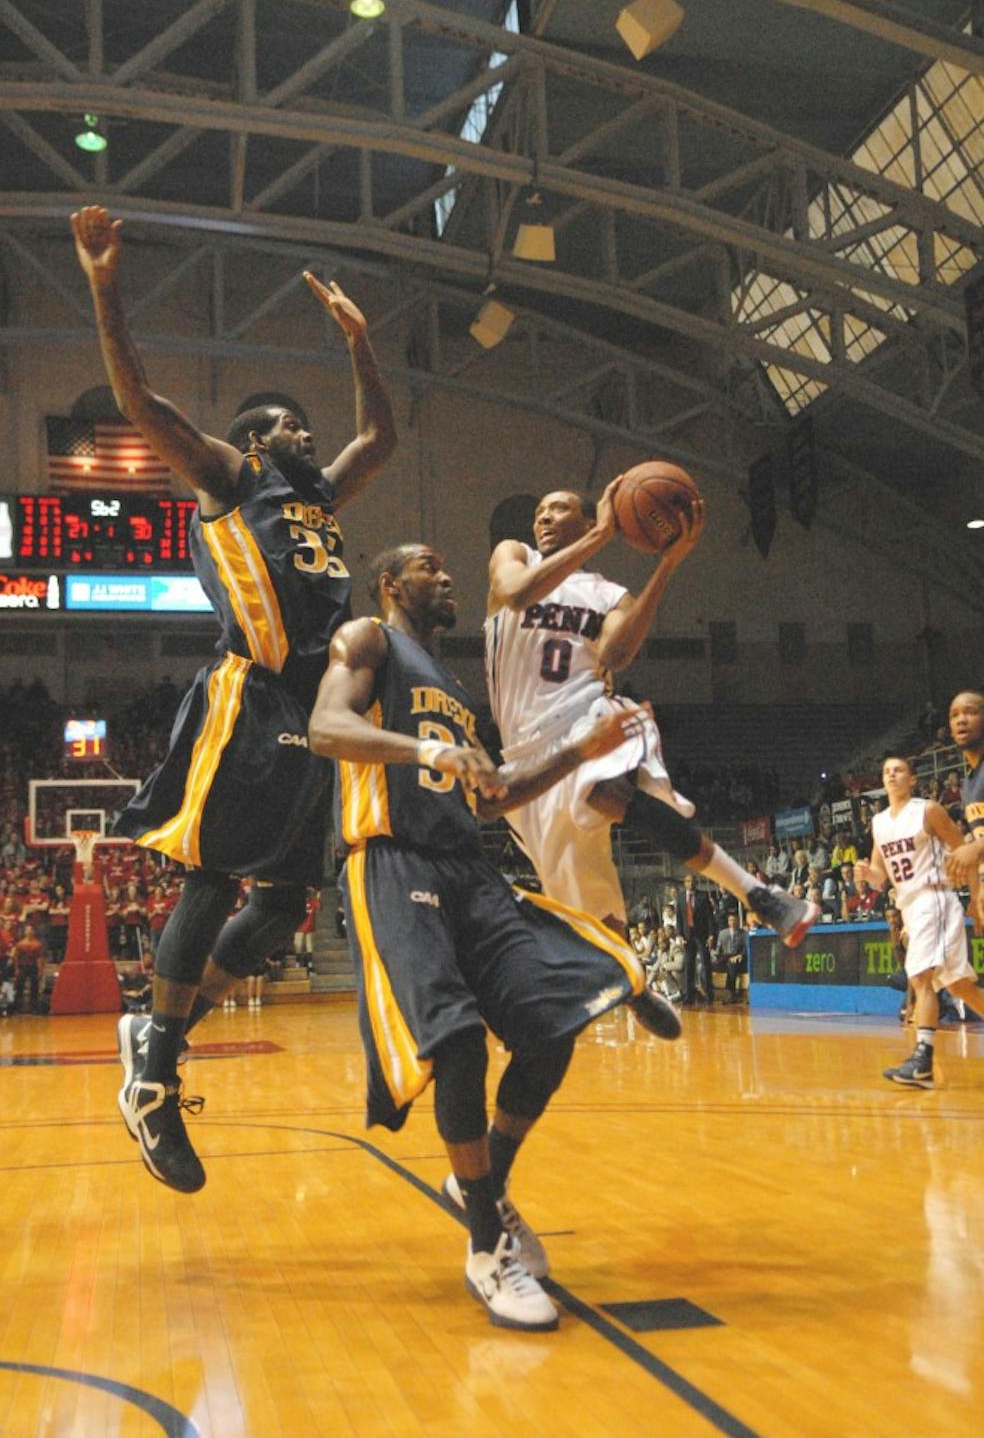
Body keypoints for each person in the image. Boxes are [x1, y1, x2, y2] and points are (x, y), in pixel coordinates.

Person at [72, 205, 398, 1192]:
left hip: (313, 715)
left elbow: (381, 431)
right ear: (253, 439)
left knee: (285, 903)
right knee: (211, 882)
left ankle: (159, 1028)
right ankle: (157, 1075)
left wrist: (360, 344)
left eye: (304, 421)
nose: (305, 430)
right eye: (286, 422)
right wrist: (104, 282)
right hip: (244, 700)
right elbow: (138, 401)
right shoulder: (229, 473)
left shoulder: (320, 497)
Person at [308, 542, 665, 1332]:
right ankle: (484, 1248)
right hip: (393, 861)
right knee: (460, 1041)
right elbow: (326, 727)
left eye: (447, 565)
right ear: (390, 581)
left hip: (468, 865)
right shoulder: (368, 640)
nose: (447, 575)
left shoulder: (459, 693)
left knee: (551, 1021)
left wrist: (579, 751)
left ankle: (486, 1181)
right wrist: (424, 747)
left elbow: (493, 797)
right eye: (431, 565)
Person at [484, 485, 818, 948]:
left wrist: (667, 565)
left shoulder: (609, 594)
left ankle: (760, 895)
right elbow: (515, 594)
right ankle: (633, 984)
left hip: (587, 721)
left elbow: (617, 656)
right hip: (527, 761)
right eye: (539, 511)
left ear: (588, 518)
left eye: (558, 509)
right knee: (599, 922)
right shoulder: (515, 554)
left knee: (606, 790)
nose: (543, 518)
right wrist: (601, 536)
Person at [855, 754, 984, 1089]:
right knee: (958, 986)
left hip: (935, 897)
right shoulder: (879, 822)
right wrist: (867, 874)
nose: (892, 775)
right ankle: (922, 1061)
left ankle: (922, 1060)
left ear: (912, 779)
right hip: (910, 905)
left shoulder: (928, 810)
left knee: (919, 976)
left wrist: (976, 899)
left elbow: (964, 851)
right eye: (886, 771)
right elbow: (879, 875)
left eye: (898, 770)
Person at [946, 691, 984, 914]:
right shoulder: (968, 783)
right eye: (954, 715)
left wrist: (976, 847)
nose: (961, 719)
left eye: (971, 712)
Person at [676, 873, 717, 1004]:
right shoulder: (681, 897)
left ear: (696, 883)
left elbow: (710, 917)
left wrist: (711, 934)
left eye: (693, 881)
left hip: (702, 934)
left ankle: (709, 995)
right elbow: (679, 919)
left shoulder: (703, 896)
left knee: (705, 964)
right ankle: (689, 995)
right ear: (684, 883)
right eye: (688, 881)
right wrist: (680, 935)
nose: (691, 883)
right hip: (687, 935)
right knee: (689, 965)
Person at [712, 909, 747, 1002]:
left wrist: (740, 955)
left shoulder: (743, 933)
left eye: (734, 920)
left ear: (738, 921)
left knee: (732, 964)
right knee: (706, 965)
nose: (733, 922)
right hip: (724, 956)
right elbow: (718, 949)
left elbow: (745, 948)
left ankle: (730, 992)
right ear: (728, 922)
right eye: (731, 920)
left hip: (736, 956)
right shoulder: (722, 933)